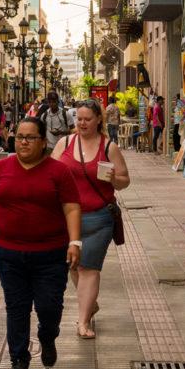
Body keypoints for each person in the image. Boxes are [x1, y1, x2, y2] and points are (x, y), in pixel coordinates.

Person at [0, 117, 82, 369]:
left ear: (43, 141)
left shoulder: (59, 171)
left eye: (30, 137)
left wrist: (74, 242)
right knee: (17, 308)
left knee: (49, 306)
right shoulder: (0, 168)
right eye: (19, 136)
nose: (23, 142)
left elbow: (71, 207)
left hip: (51, 254)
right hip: (8, 253)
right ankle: (19, 360)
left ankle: (47, 335)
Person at [51, 99, 131, 339]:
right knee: (72, 265)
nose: (82, 123)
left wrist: (114, 179)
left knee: (89, 268)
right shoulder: (65, 142)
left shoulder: (109, 148)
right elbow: (50, 173)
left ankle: (83, 321)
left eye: (87, 119)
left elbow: (125, 180)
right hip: (65, 217)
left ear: (98, 120)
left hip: (98, 217)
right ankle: (90, 302)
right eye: (79, 119)